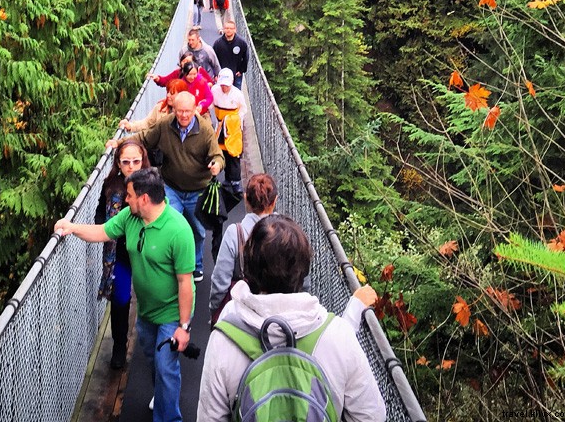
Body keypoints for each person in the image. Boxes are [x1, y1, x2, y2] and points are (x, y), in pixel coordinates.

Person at [196, 216, 386, 422]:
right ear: (304, 271)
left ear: (249, 269)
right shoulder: (339, 336)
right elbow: (371, 416)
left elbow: (209, 418)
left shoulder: (224, 338)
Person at [56, 168, 195, 422]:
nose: (125, 199)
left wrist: (184, 327)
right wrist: (71, 227)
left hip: (172, 311)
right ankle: (162, 395)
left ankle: (169, 417)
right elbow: (102, 232)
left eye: (129, 195)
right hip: (147, 310)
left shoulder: (179, 230)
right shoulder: (130, 217)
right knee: (154, 360)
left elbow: (185, 282)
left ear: (144, 198)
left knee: (166, 367)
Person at [127, 91, 223, 282]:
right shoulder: (165, 125)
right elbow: (145, 138)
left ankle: (195, 265)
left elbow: (217, 154)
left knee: (197, 230)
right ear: (174, 110)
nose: (183, 115)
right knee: (167, 227)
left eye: (187, 111)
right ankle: (169, 265)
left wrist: (217, 165)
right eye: (180, 111)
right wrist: (121, 143)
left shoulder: (204, 129)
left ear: (195, 110)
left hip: (197, 189)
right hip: (172, 187)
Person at [93, 140, 151, 368]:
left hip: (147, 250)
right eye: (126, 162)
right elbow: (100, 212)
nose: (131, 167)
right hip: (119, 253)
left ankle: (154, 343)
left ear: (143, 161)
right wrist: (105, 229)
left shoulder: (152, 184)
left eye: (136, 161)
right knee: (120, 298)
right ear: (118, 163)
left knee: (152, 295)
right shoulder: (111, 185)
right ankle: (119, 345)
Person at [209, 173, 277, 324]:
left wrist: (215, 311)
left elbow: (220, 281)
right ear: (275, 201)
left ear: (246, 198)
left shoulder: (235, 233)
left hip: (239, 316)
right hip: (275, 316)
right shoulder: (285, 234)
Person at [209, 68, 246, 191]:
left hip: (233, 128)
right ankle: (225, 178)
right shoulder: (215, 91)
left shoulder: (238, 94)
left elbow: (243, 110)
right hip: (220, 127)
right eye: (222, 85)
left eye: (226, 85)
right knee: (221, 152)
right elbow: (210, 104)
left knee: (233, 154)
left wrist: (233, 120)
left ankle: (235, 181)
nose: (224, 88)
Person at [119, 79, 187, 133]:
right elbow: (147, 123)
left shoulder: (188, 113)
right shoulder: (160, 108)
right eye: (168, 92)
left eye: (172, 93)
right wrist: (130, 126)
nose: (168, 95)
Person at [212, 19, 249, 90]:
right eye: (227, 28)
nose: (229, 30)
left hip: (236, 74)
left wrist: (241, 70)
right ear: (224, 29)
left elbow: (245, 57)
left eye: (231, 28)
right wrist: (215, 73)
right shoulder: (218, 43)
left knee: (236, 93)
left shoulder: (241, 43)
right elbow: (214, 59)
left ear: (235, 30)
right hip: (222, 74)